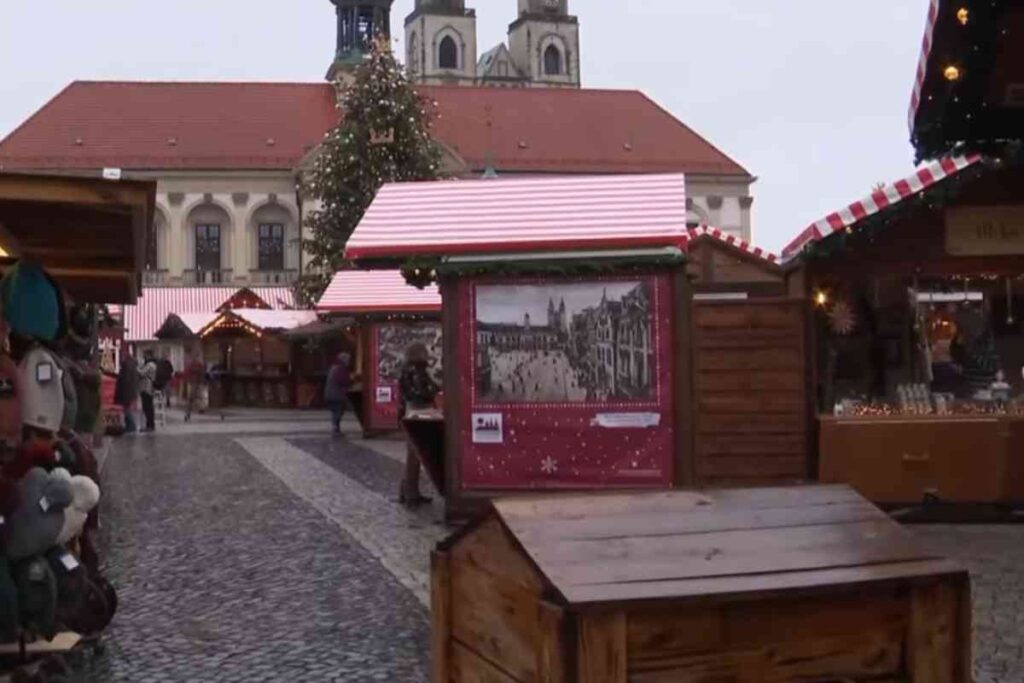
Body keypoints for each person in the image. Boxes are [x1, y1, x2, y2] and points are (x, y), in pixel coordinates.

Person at [398, 342, 439, 508]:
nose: (427, 353)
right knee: (415, 453)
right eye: (424, 351)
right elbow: (418, 393)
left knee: (414, 453)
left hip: (412, 410)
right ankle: (410, 493)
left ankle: (408, 490)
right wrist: (433, 392)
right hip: (418, 410)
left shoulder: (410, 369)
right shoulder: (415, 370)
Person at [324, 353, 353, 435]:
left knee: (336, 411)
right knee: (338, 411)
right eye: (348, 360)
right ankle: (335, 427)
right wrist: (350, 380)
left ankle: (336, 428)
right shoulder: (340, 369)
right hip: (336, 395)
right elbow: (342, 380)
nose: (349, 362)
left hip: (330, 394)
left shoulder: (333, 368)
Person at [114, 353, 140, 434]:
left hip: (126, 392)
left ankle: (131, 426)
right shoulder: (132, 366)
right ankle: (129, 426)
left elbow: (124, 380)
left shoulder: (127, 366)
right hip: (130, 391)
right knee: (126, 408)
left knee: (126, 409)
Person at [183, 354, 208, 422]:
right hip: (195, 383)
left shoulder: (197, 365)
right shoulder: (195, 365)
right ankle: (190, 411)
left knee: (198, 397)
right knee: (194, 397)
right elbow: (189, 373)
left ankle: (197, 409)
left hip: (196, 383)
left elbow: (202, 373)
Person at [138, 350, 158, 432]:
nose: (144, 357)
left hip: (147, 388)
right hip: (145, 387)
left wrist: (136, 368)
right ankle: (149, 424)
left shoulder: (150, 365)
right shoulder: (149, 364)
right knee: (147, 406)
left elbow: (142, 373)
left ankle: (150, 425)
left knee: (148, 407)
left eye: (145, 355)